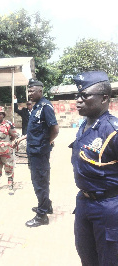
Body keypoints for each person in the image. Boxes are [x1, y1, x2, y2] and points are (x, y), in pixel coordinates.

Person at [70, 70, 118, 266]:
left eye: (85, 95)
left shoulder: (112, 131)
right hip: (84, 202)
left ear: (104, 98)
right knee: (87, 257)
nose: (78, 100)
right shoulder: (85, 124)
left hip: (108, 207)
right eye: (77, 95)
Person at [25, 78, 59, 227]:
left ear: (40, 90)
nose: (30, 93)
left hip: (40, 152)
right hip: (33, 151)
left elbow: (55, 130)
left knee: (40, 183)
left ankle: (42, 216)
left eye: (32, 91)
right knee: (39, 180)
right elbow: (36, 130)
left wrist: (47, 142)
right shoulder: (36, 106)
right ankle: (47, 205)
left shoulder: (45, 106)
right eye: (29, 91)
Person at [0, 106, 19, 195]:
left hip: (6, 151)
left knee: (9, 168)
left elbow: (14, 136)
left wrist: (12, 144)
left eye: (0, 114)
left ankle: (10, 186)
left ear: (3, 115)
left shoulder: (8, 125)